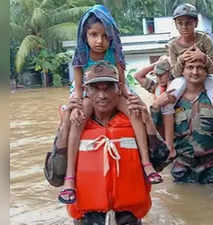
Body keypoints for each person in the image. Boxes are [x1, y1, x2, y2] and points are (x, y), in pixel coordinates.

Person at [62, 5, 160, 204]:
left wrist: (132, 99)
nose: (100, 41)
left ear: (111, 37)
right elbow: (79, 88)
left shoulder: (114, 54)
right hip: (89, 93)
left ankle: (146, 163)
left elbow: (122, 84)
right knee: (77, 120)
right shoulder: (81, 56)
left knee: (134, 112)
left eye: (105, 36)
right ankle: (69, 177)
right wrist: (75, 106)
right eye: (94, 35)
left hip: (114, 91)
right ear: (85, 35)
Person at [63, 61, 152, 225]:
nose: (102, 95)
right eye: (95, 88)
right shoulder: (76, 120)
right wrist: (64, 126)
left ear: (119, 89)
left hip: (128, 214)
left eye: (108, 88)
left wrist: (149, 121)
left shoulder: (133, 118)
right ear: (86, 91)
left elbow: (162, 159)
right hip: (87, 215)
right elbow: (54, 175)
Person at [163, 3, 213, 171]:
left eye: (188, 23)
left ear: (195, 23)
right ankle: (169, 148)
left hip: (209, 76)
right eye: (180, 23)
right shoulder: (173, 45)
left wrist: (203, 57)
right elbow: (176, 73)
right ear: (176, 24)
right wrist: (183, 59)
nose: (184, 27)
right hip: (182, 78)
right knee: (167, 103)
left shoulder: (204, 39)